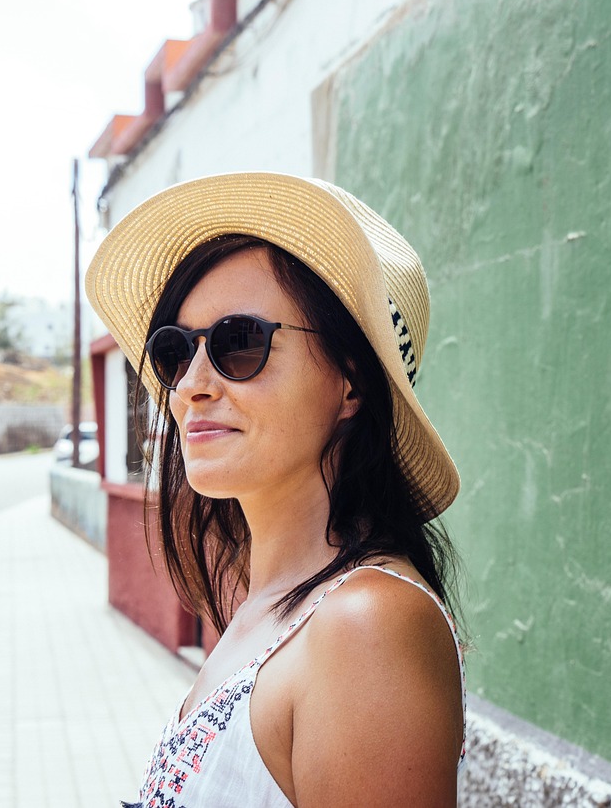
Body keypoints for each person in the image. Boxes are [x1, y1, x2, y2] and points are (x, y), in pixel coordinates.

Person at [84, 173, 467, 807]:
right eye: (175, 352)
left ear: (352, 382)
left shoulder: (364, 626)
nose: (189, 387)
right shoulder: (273, 605)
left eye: (239, 343)